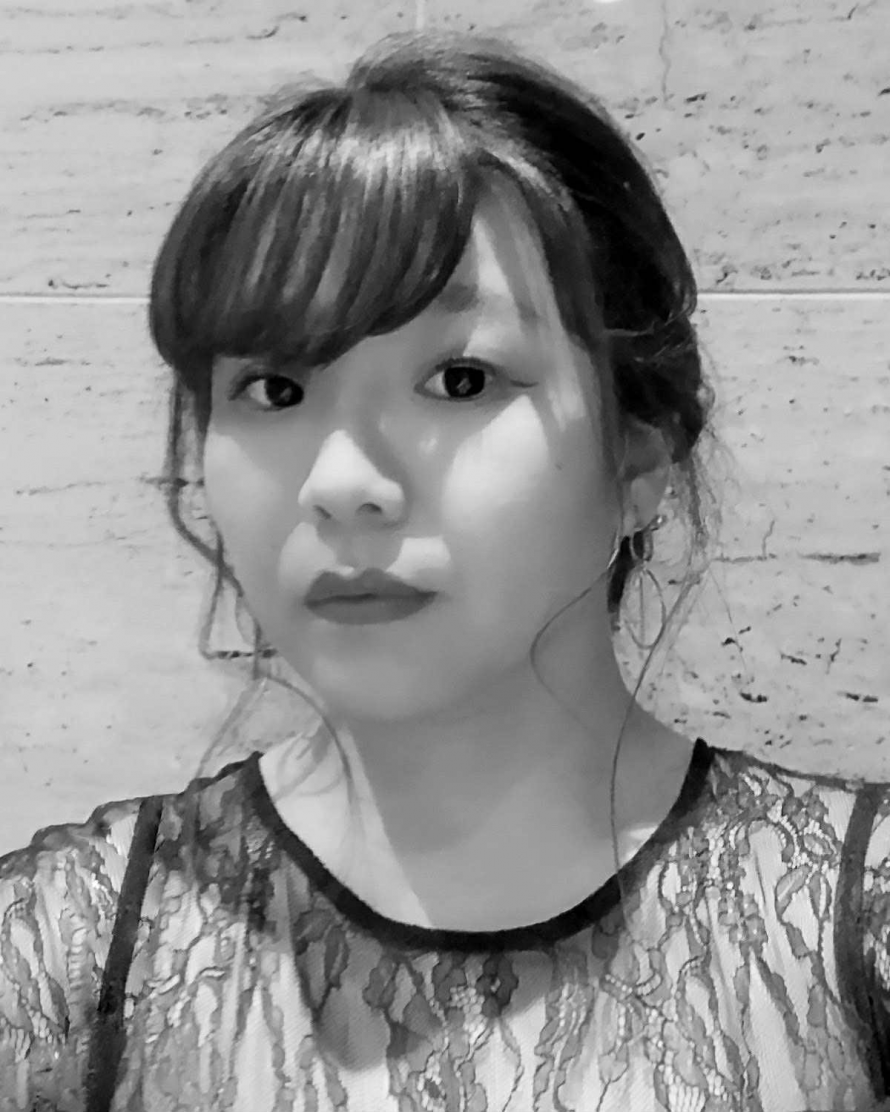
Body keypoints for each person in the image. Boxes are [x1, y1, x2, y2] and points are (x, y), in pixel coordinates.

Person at [0, 27, 888, 1112]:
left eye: (460, 378)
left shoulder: (854, 932)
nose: (341, 482)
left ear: (636, 456)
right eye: (275, 389)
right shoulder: (61, 956)